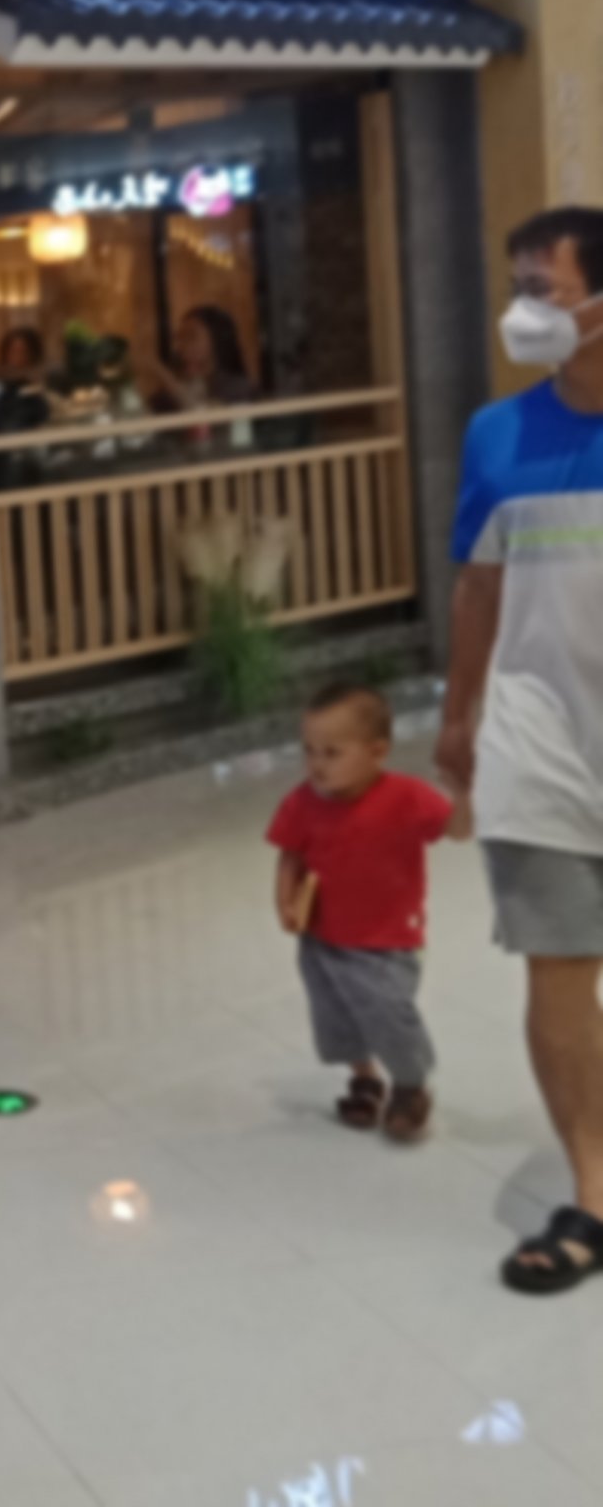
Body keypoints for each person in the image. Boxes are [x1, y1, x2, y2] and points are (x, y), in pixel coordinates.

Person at [439, 205, 603, 1294]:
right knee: (558, 961)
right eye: (517, 287)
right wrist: (457, 714)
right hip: (539, 739)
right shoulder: (496, 434)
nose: (522, 311)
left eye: (544, 289)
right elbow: (478, 582)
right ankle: (594, 1193)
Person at [271, 683, 457, 1143]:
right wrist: (285, 901)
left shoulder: (407, 796)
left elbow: (454, 827)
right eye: (309, 750)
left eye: (332, 753)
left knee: (389, 1012)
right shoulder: (302, 802)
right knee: (336, 1014)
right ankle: (365, 1078)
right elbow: (290, 856)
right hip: (322, 936)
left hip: (387, 939)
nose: (317, 764)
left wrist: (467, 790)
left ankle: (410, 1086)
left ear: (377, 752)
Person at [151, 306, 259, 415]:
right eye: (179, 338)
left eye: (191, 337)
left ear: (217, 340)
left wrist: (168, 379)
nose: (181, 346)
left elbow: (207, 416)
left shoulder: (238, 389)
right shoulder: (166, 397)